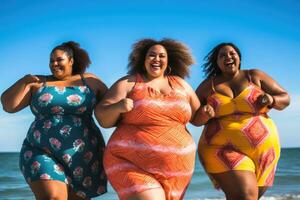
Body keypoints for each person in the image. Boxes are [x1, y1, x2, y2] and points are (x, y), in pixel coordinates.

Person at [94, 38, 201, 200]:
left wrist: (208, 112)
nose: (156, 59)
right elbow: (103, 118)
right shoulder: (129, 83)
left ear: (168, 61)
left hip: (177, 173)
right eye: (152, 55)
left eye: (161, 56)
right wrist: (118, 107)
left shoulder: (181, 84)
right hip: (130, 163)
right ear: (143, 60)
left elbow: (198, 117)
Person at [1, 41, 108, 200]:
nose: (54, 64)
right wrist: (24, 80)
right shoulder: (38, 83)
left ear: (71, 61)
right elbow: (8, 106)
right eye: (51, 60)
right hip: (40, 149)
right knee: (53, 197)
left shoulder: (90, 81)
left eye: (59, 60)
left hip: (82, 155)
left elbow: (109, 110)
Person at [194, 42, 290, 200]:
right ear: (216, 62)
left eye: (232, 53)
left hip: (264, 151)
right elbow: (194, 119)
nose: (228, 57)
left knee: (249, 196)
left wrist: (271, 99)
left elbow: (285, 98)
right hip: (221, 148)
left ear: (239, 57)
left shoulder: (254, 76)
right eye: (222, 55)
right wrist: (205, 113)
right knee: (246, 195)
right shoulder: (207, 86)